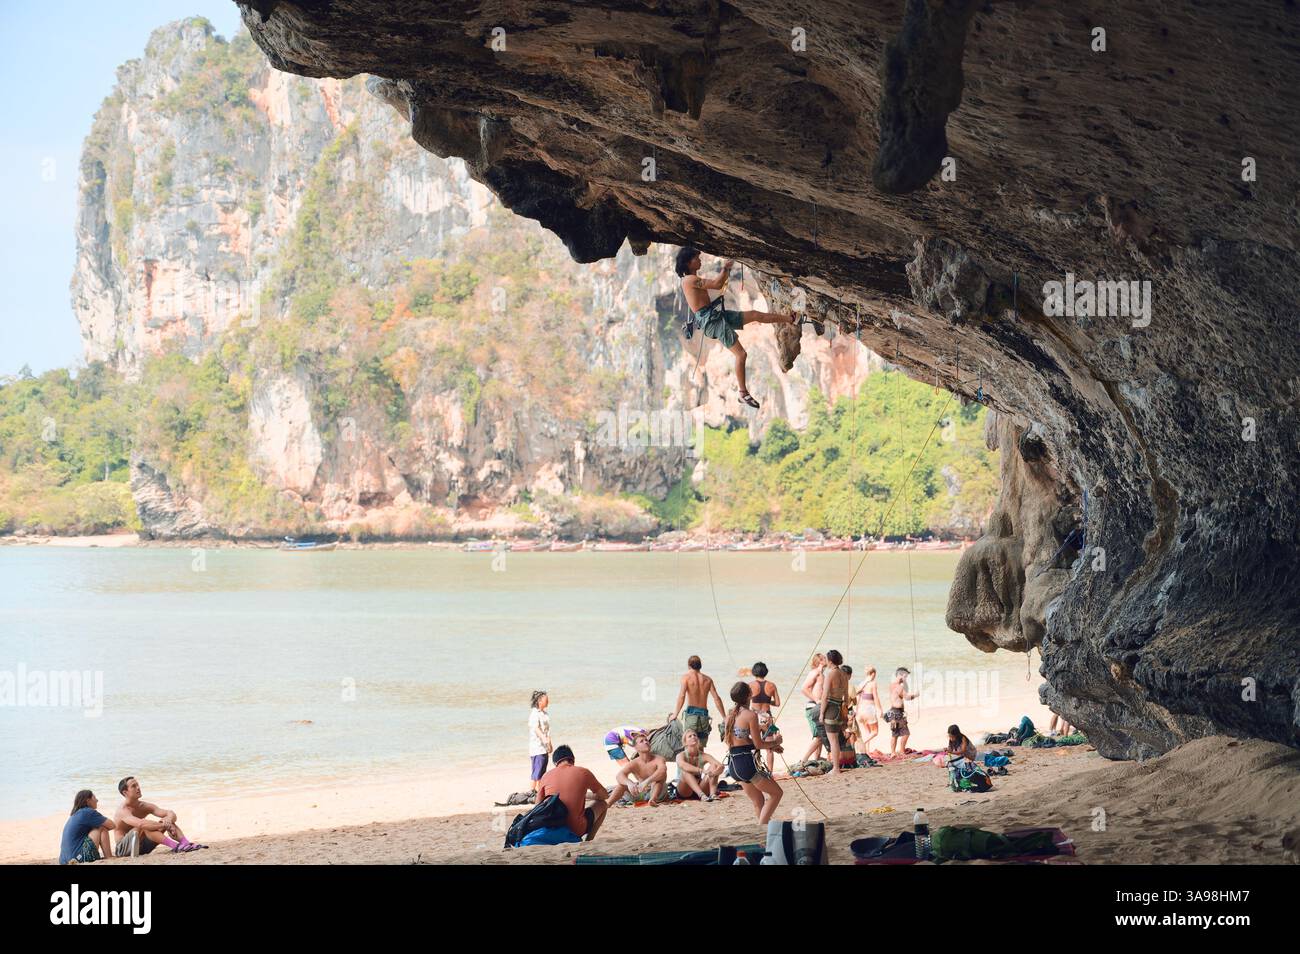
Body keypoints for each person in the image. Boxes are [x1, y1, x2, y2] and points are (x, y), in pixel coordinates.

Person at [676, 246, 796, 409]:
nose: (700, 260)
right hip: (712, 322)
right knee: (741, 354)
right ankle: (743, 393)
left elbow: (717, 285)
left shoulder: (692, 278)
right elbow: (717, 284)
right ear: (689, 262)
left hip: (716, 315)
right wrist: (726, 267)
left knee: (755, 315)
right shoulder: (689, 280)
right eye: (697, 258)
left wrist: (727, 268)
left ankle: (790, 319)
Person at [725, 682, 784, 823]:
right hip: (746, 764)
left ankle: (763, 829)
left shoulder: (730, 715)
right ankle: (763, 826)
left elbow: (740, 741)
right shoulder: (750, 715)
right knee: (777, 793)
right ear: (749, 695)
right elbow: (759, 744)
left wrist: (772, 746)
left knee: (758, 800)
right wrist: (775, 742)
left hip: (733, 764)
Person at [113, 777, 204, 856]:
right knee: (145, 825)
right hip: (123, 849)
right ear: (125, 792)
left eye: (138, 785)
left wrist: (168, 821)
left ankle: (185, 843)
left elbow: (170, 813)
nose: (138, 788)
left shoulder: (144, 806)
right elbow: (141, 824)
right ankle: (176, 846)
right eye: (133, 786)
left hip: (143, 847)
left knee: (165, 819)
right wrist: (164, 825)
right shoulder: (122, 811)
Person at [536, 745, 610, 842]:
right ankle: (588, 841)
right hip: (576, 829)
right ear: (573, 760)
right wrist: (585, 795)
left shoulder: (546, 776)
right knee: (603, 804)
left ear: (555, 763)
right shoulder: (583, 772)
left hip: (551, 827)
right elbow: (604, 795)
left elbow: (537, 806)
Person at [671, 656, 726, 751]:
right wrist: (724, 717)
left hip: (691, 715)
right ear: (700, 665)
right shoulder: (708, 680)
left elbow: (682, 696)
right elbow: (716, 698)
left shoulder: (686, 678)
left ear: (689, 666)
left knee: (689, 747)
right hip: (704, 716)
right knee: (700, 748)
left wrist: (675, 714)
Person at [608, 732, 668, 805]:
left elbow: (662, 772)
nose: (645, 742)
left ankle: (652, 800)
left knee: (658, 781)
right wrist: (629, 783)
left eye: (646, 740)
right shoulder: (634, 762)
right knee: (621, 785)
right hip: (640, 793)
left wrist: (646, 782)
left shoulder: (659, 759)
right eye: (641, 741)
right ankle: (608, 804)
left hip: (656, 793)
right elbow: (619, 775)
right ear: (636, 748)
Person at [58, 790, 114, 865]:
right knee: (101, 827)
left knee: (98, 825)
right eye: (94, 798)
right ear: (88, 801)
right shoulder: (88, 812)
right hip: (77, 859)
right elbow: (112, 825)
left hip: (64, 861)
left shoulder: (76, 813)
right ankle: (109, 857)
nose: (97, 800)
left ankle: (108, 857)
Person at [818, 650, 851, 775]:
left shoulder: (830, 674)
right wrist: (845, 712)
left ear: (830, 661)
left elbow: (825, 696)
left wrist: (822, 713)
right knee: (835, 739)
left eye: (827, 659)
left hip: (831, 708)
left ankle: (836, 768)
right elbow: (846, 696)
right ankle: (836, 766)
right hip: (839, 707)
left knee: (833, 741)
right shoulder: (844, 674)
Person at [748, 661, 782, 773]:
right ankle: (770, 772)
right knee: (770, 747)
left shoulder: (750, 685)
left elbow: (745, 702)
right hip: (767, 717)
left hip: (755, 717)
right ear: (766, 672)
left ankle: (755, 771)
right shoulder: (772, 685)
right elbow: (777, 703)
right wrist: (767, 701)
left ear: (754, 672)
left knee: (755, 745)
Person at [675, 730, 724, 801]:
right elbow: (683, 765)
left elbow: (720, 766)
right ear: (685, 742)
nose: (693, 737)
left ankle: (712, 794)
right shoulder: (680, 755)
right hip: (685, 791)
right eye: (690, 736)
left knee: (714, 766)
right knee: (685, 772)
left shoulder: (704, 755)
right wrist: (701, 770)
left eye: (694, 735)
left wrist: (713, 773)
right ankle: (701, 795)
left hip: (700, 788)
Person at [885, 668, 920, 757]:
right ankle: (901, 751)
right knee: (906, 733)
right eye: (905, 676)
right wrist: (916, 695)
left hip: (892, 712)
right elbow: (907, 697)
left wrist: (903, 683)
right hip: (897, 713)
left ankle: (893, 752)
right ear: (900, 675)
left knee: (895, 735)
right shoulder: (899, 687)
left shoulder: (892, 685)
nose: (906, 679)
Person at [800, 653, 828, 762]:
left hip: (819, 706)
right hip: (813, 706)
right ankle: (804, 760)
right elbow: (804, 688)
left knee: (821, 735)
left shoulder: (822, 674)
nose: (826, 659)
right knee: (819, 736)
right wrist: (816, 700)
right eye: (824, 658)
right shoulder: (815, 672)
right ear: (820, 661)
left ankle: (817, 758)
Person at [854, 666, 883, 754]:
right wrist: (880, 710)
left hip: (860, 711)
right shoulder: (873, 683)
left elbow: (857, 698)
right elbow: (876, 697)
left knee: (867, 733)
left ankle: (866, 752)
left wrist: (857, 711)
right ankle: (860, 744)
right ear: (873, 674)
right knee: (875, 732)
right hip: (869, 710)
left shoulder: (861, 684)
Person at [528, 690, 553, 794]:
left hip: (544, 747)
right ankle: (534, 792)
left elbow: (547, 731)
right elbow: (536, 728)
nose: (548, 701)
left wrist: (549, 744)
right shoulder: (534, 714)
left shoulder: (545, 714)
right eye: (546, 700)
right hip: (537, 748)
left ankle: (537, 792)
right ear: (539, 701)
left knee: (541, 771)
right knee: (537, 772)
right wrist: (544, 739)